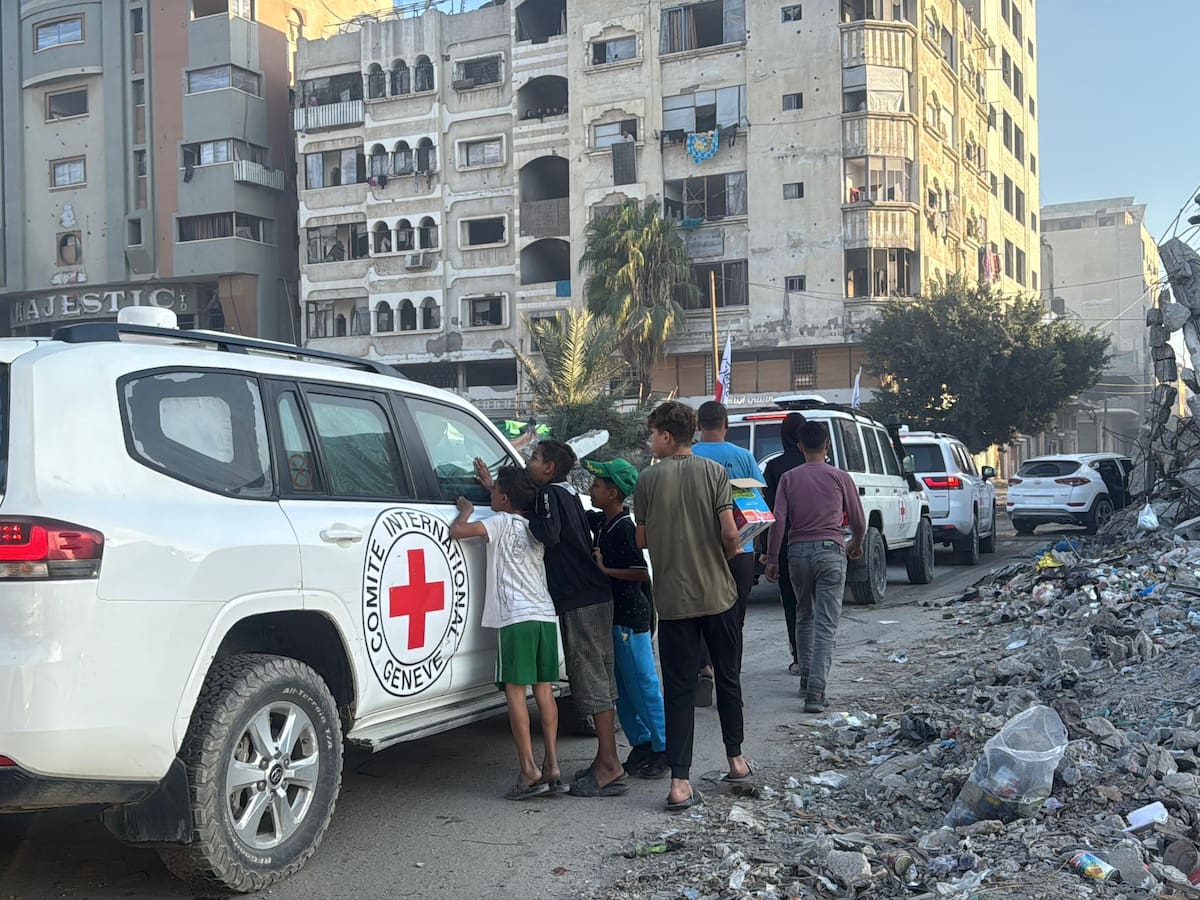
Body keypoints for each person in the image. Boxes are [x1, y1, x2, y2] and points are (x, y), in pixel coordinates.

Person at [475, 442, 626, 797]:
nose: (528, 462)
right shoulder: (565, 492)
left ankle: (609, 765)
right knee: (597, 677)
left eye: (533, 458)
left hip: (579, 597)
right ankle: (605, 759)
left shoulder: (546, 496)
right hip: (592, 595)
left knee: (589, 680)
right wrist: (498, 494)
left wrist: (509, 511)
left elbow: (548, 533)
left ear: (547, 469)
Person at [634, 401, 752, 811]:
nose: (652, 442)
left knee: (680, 690)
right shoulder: (715, 473)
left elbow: (642, 540)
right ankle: (736, 760)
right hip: (718, 594)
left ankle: (679, 783)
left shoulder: (647, 479)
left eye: (653, 434)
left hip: (674, 601)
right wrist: (732, 550)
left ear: (667, 436)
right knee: (728, 677)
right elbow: (728, 533)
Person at [449, 467, 561, 800]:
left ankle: (528, 770)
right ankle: (552, 764)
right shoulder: (533, 526)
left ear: (505, 498)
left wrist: (466, 511)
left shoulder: (498, 523)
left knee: (515, 694)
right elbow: (506, 499)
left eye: (494, 490)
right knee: (544, 691)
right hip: (544, 615)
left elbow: (458, 532)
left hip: (515, 618)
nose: (491, 494)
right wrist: (492, 485)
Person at [765, 421, 866, 714]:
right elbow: (858, 519)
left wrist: (772, 558)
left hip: (796, 553)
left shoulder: (788, 478)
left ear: (800, 447)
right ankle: (816, 692)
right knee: (826, 623)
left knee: (804, 614)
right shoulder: (839, 476)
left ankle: (806, 676)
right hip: (831, 552)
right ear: (828, 446)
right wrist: (856, 542)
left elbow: (779, 520)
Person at [584, 458, 668, 780]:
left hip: (631, 619)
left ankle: (665, 747)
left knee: (643, 684)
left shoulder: (624, 529)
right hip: (616, 618)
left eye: (596, 486)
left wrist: (605, 570)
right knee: (624, 686)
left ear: (613, 492)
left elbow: (640, 572)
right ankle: (643, 742)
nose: (592, 490)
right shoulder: (606, 522)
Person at [691, 401, 760, 697]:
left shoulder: (689, 456)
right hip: (742, 547)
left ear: (698, 426)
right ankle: (730, 680)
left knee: (700, 613)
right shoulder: (743, 456)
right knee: (734, 618)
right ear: (726, 425)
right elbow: (757, 501)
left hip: (698, 548)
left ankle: (704, 666)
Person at [762, 412, 807, 675]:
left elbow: (771, 515)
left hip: (787, 546)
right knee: (815, 605)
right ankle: (817, 655)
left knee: (792, 604)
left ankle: (799, 657)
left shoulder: (775, 468)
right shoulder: (823, 467)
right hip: (821, 544)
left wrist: (769, 554)